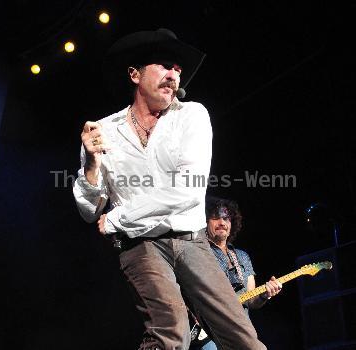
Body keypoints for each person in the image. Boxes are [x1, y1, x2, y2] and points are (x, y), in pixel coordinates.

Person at [73, 28, 266, 350]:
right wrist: (92, 165)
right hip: (141, 244)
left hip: (191, 240)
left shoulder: (192, 115)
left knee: (242, 336)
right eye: (164, 65)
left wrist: (119, 217)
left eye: (177, 70)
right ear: (135, 74)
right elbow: (89, 210)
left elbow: (188, 191)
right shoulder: (103, 130)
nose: (173, 75)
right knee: (170, 331)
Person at [191, 197, 282, 350]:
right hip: (209, 335)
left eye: (226, 218)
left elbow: (251, 300)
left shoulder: (242, 256)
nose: (222, 223)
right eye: (215, 217)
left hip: (241, 332)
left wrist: (264, 295)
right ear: (205, 222)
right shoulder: (197, 254)